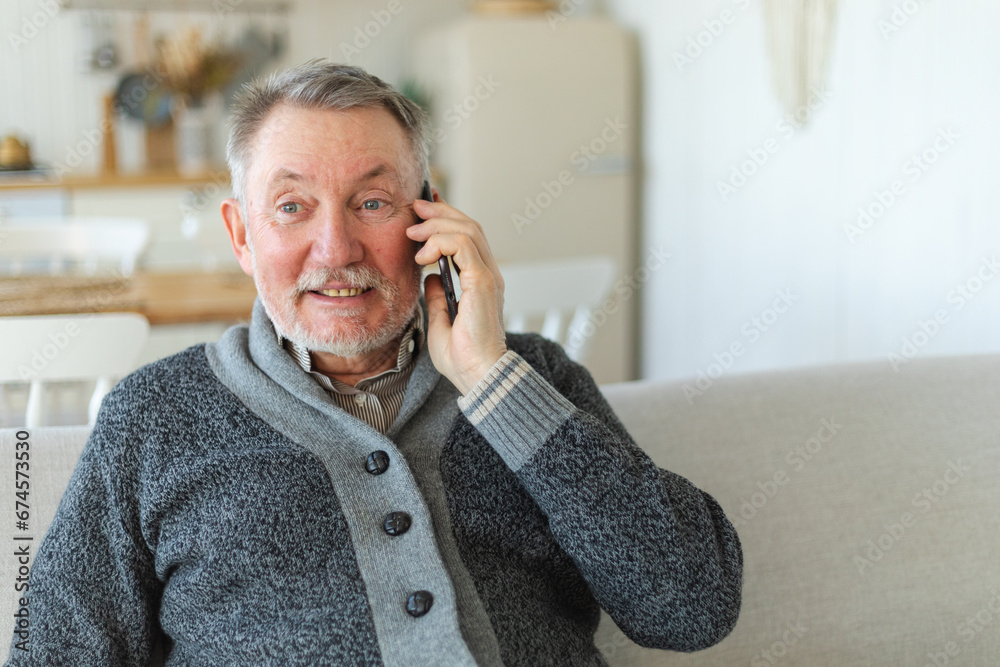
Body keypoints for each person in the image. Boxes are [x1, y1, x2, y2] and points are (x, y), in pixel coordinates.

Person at [6, 61, 742, 666]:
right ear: (241, 235)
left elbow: (693, 606)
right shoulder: (154, 417)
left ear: (431, 217)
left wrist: (491, 381)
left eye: (373, 202)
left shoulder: (532, 379)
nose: (336, 249)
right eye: (291, 207)